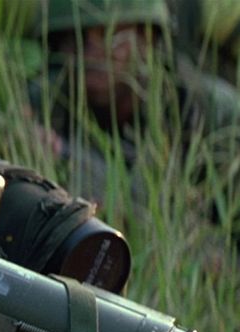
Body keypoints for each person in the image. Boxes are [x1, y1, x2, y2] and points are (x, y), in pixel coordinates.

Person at [26, 0, 240, 209]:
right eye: (76, 38)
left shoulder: (211, 110)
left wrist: (70, 158)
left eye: (109, 35)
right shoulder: (42, 103)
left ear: (147, 37)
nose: (92, 53)